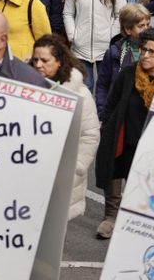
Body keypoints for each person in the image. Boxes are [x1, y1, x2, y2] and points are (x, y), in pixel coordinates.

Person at [95, 28, 154, 239]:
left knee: (147, 185)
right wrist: (107, 126)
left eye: (152, 52)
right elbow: (112, 102)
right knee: (114, 172)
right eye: (143, 50)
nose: (145, 55)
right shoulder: (128, 73)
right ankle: (111, 217)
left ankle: (139, 223)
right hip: (125, 135)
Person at [29, 34, 100, 220]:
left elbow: (90, 135)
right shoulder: (25, 85)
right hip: (30, 172)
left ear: (59, 62)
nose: (38, 64)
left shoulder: (81, 94)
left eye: (44, 60)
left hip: (62, 177)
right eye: (35, 59)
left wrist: (77, 167)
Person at [63, 0, 127, 91]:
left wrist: (111, 37)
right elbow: (67, 13)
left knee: (103, 90)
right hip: (80, 48)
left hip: (105, 48)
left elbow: (121, 14)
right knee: (84, 88)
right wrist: (73, 35)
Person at [95, 3, 152, 116]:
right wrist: (103, 111)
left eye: (148, 25)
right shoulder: (114, 52)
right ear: (128, 29)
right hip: (118, 112)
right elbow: (103, 85)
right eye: (141, 26)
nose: (146, 30)